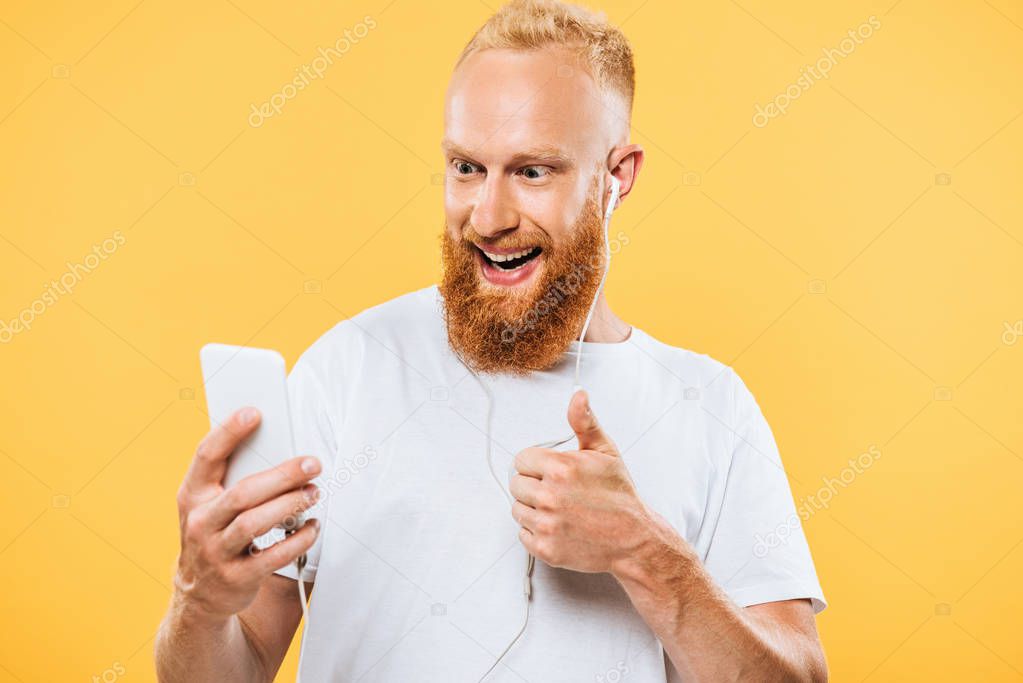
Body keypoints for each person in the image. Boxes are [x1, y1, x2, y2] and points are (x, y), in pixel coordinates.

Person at [155, 1, 828, 680]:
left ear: (615, 178)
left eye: (533, 171)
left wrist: (644, 552)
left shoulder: (708, 405)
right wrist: (199, 603)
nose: (490, 216)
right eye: (467, 168)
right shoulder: (348, 366)